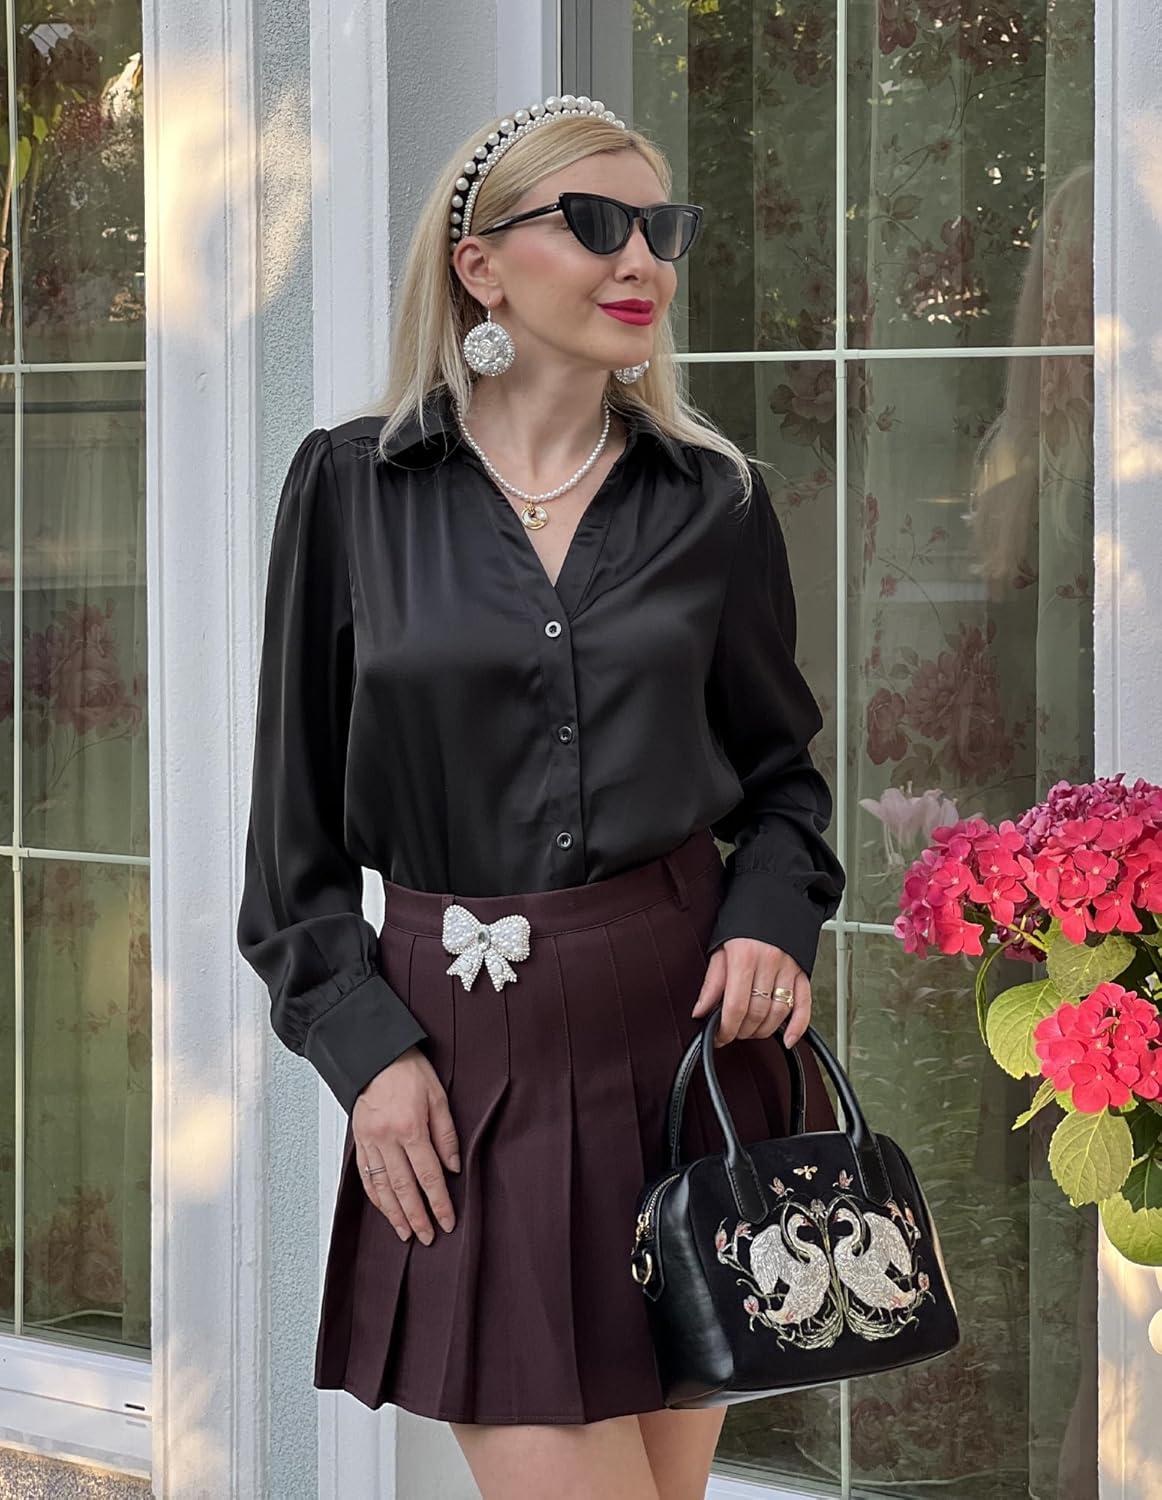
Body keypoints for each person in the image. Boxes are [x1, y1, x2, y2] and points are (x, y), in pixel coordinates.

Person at [236, 94, 847, 1500]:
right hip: (465, 1067)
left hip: (685, 1046)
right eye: (595, 224)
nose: (641, 259)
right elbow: (290, 843)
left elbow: (781, 784)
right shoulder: (351, 489)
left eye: (660, 228)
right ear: (481, 268)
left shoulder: (712, 502)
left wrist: (770, 919)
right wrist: (368, 1054)